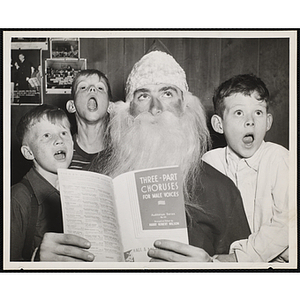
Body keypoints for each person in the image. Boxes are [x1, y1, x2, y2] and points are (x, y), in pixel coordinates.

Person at [38, 50, 251, 262]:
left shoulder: (222, 189)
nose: (155, 108)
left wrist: (211, 269)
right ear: (128, 112)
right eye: (143, 96)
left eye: (167, 94)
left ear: (186, 107)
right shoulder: (97, 175)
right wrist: (42, 261)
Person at [202, 74, 289, 262]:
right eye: (239, 113)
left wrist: (239, 258)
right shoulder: (210, 163)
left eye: (258, 113)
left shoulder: (279, 158)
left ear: (268, 121)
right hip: (219, 259)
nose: (250, 121)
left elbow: (287, 223)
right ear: (219, 124)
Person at [10, 104, 74, 261]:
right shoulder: (18, 198)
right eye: (46, 135)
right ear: (29, 152)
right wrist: (36, 260)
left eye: (64, 133)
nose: (59, 140)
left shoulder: (76, 190)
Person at [66, 69, 112, 170]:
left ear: (110, 106)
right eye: (83, 87)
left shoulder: (121, 153)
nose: (92, 89)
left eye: (100, 88)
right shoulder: (63, 150)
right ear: (71, 106)